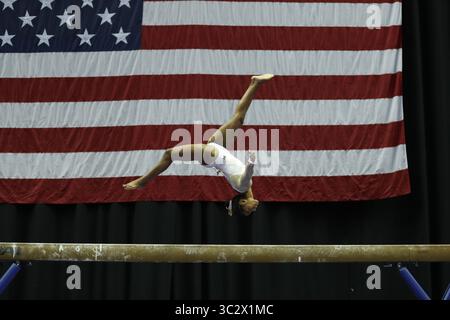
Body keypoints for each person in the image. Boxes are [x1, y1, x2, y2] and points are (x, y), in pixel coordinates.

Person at [123, 74, 275, 216]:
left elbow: (246, 177)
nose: (252, 211)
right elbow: (246, 181)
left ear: (242, 202)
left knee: (170, 154)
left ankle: (143, 181)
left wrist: (251, 163)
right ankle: (255, 83)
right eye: (249, 212)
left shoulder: (242, 187)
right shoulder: (246, 188)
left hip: (212, 155)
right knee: (239, 118)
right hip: (217, 148)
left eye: (247, 211)